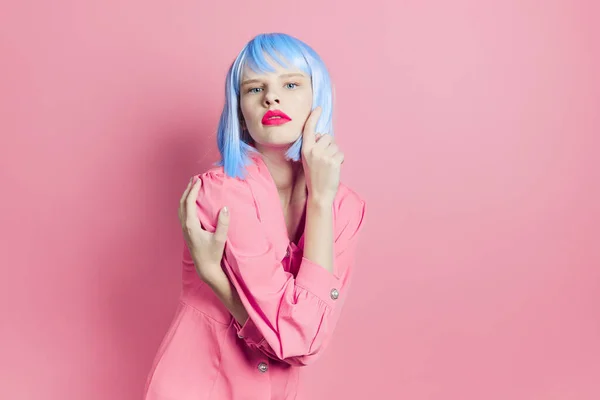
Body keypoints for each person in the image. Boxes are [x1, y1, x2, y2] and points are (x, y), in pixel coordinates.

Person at [144, 32, 367, 400]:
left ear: (318, 100)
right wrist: (321, 202)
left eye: (291, 83)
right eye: (253, 88)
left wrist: (321, 201)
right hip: (196, 386)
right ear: (241, 115)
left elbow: (308, 344)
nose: (271, 97)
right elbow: (295, 337)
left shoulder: (345, 207)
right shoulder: (220, 192)